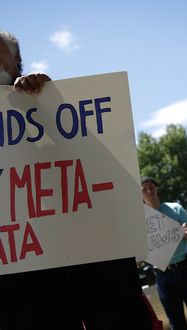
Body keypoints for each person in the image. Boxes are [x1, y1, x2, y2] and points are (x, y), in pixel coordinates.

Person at [0, 30, 151, 330]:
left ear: (16, 58)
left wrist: (49, 101)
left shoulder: (53, 101)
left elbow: (99, 164)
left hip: (87, 257)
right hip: (22, 277)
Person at [141, 176, 187, 330]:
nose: (149, 191)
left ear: (157, 189)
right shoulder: (139, 220)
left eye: (151, 187)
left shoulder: (175, 208)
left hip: (185, 269)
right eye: (144, 189)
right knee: (176, 323)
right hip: (162, 274)